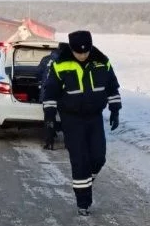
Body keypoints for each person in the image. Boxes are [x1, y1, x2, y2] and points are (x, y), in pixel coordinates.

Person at [41, 30, 121, 216]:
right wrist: (50, 119)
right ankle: (83, 203)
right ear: (72, 49)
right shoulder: (60, 64)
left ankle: (85, 181)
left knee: (98, 157)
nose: (83, 55)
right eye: (78, 52)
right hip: (72, 119)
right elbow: (50, 93)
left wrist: (115, 110)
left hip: (94, 117)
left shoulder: (102, 61)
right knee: (80, 160)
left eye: (86, 52)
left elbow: (112, 87)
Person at [37, 45, 63, 150]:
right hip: (62, 96)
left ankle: (49, 143)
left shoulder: (46, 59)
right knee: (66, 118)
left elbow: (38, 73)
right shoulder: (66, 61)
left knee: (49, 119)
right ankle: (68, 143)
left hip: (48, 95)